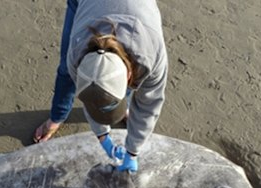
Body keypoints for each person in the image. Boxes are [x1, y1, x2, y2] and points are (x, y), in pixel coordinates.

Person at [33, 0, 168, 173]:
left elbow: (149, 107)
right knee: (66, 72)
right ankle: (57, 117)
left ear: (128, 74)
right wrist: (103, 137)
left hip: (137, 12)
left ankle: (118, 103)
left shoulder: (151, 56)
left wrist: (133, 151)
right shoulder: (76, 54)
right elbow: (91, 96)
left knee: (111, 83)